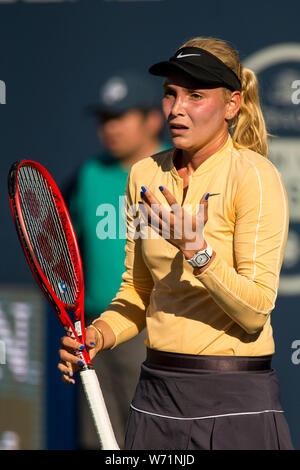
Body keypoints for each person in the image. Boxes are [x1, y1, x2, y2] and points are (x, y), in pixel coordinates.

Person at [58, 37, 294, 450]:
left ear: (232, 105)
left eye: (196, 95)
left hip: (234, 401)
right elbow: (137, 294)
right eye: (171, 94)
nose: (177, 109)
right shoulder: (143, 175)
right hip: (155, 399)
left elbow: (255, 313)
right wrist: (98, 334)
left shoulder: (255, 177)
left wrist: (197, 251)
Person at [65, 70, 168, 449]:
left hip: (152, 331)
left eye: (120, 116)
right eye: (104, 119)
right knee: (98, 441)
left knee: (151, 440)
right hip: (93, 329)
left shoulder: (178, 171)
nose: (109, 128)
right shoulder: (87, 175)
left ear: (152, 119)